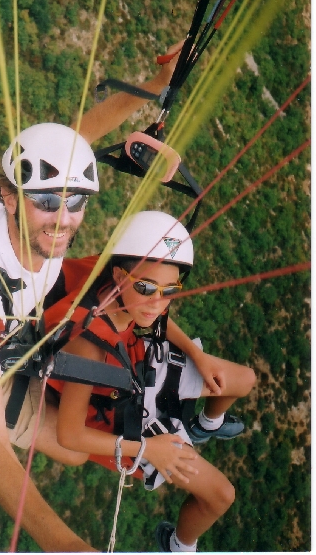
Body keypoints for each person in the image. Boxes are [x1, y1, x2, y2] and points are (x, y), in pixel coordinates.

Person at [0, 42, 185, 553]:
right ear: (7, 196)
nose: (64, 218)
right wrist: (70, 548)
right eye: (46, 201)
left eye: (76, 200)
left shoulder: (19, 198)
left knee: (69, 447)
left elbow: (78, 137)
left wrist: (159, 85)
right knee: (66, 450)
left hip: (19, 313)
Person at [44, 211, 256, 552]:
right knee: (220, 496)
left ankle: (204, 427)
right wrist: (148, 449)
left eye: (170, 290)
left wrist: (197, 356)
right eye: (146, 287)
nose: (157, 302)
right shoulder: (88, 346)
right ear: (119, 275)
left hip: (138, 358)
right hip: (120, 409)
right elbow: (68, 435)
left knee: (244, 379)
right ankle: (179, 546)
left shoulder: (123, 278)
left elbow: (153, 314)